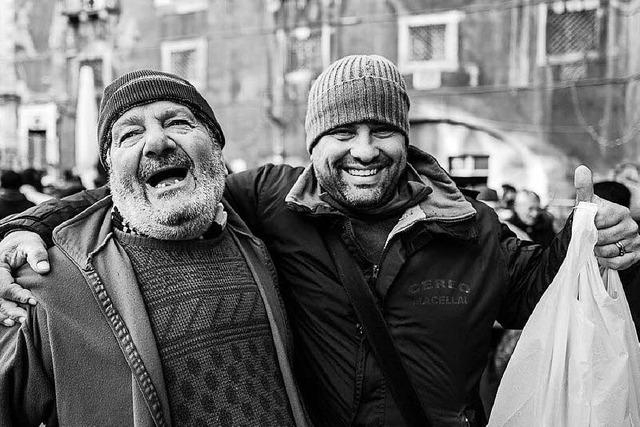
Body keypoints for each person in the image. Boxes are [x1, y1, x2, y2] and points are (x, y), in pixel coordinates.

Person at [1, 55, 640, 426]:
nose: (363, 151)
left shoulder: (472, 226)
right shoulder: (272, 201)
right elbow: (152, 183)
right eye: (341, 133)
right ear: (313, 144)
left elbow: (547, 292)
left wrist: (598, 244)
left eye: (380, 130)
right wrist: (23, 226)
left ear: (405, 138)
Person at [0, 70, 307, 426]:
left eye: (177, 122)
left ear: (217, 147)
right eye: (130, 134)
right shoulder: (45, 284)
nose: (157, 142)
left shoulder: (261, 233)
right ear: (112, 170)